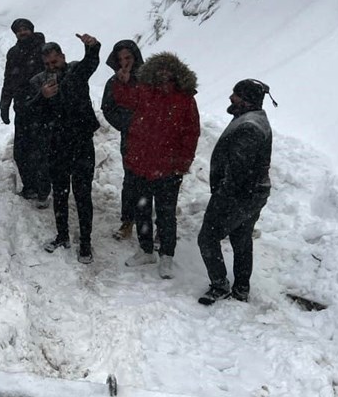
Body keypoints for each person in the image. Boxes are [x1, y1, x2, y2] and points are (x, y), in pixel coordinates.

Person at [111, 52, 200, 279]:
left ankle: (167, 256)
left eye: (167, 70)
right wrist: (120, 82)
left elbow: (191, 133)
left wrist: (183, 162)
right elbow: (123, 100)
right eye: (159, 70)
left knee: (166, 214)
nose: (163, 74)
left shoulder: (185, 98)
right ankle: (146, 250)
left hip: (169, 168)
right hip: (140, 163)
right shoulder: (143, 90)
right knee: (141, 209)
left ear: (176, 73)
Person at [197, 79, 276, 305]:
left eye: (236, 95)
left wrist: (222, 198)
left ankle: (220, 285)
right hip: (253, 194)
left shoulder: (249, 127)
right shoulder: (254, 119)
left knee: (207, 237)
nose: (231, 97)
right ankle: (241, 289)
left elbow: (238, 172)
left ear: (247, 100)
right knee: (241, 238)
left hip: (238, 196)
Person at [28, 34, 102, 263]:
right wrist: (43, 96)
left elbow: (91, 63)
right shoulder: (40, 82)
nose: (52, 67)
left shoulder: (75, 72)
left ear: (63, 57)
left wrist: (93, 47)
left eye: (55, 61)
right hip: (56, 145)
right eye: (48, 64)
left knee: (82, 194)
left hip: (81, 143)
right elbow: (30, 112)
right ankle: (62, 236)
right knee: (60, 193)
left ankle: (86, 243)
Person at [0, 18, 50, 206]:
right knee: (21, 151)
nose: (22, 32)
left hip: (43, 108)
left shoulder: (44, 49)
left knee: (42, 151)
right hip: (22, 108)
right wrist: (4, 103)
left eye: (25, 29)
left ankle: (43, 190)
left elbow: (55, 72)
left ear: (31, 29)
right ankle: (29, 187)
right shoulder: (13, 53)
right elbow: (8, 80)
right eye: (19, 30)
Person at [100, 40, 145, 241]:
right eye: (120, 59)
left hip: (153, 138)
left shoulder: (149, 79)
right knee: (131, 181)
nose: (124, 62)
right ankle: (128, 221)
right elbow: (108, 108)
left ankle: (156, 226)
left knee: (154, 183)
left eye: (128, 57)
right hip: (130, 138)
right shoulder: (114, 82)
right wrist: (127, 124)